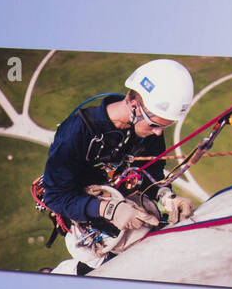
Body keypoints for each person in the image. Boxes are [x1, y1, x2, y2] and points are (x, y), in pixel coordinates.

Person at [38, 59, 196, 274]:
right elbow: (55, 196)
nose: (159, 133)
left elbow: (152, 170)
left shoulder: (147, 130)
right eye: (155, 125)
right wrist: (108, 209)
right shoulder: (77, 132)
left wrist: (166, 196)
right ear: (134, 106)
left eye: (165, 126)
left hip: (128, 206)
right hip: (89, 218)